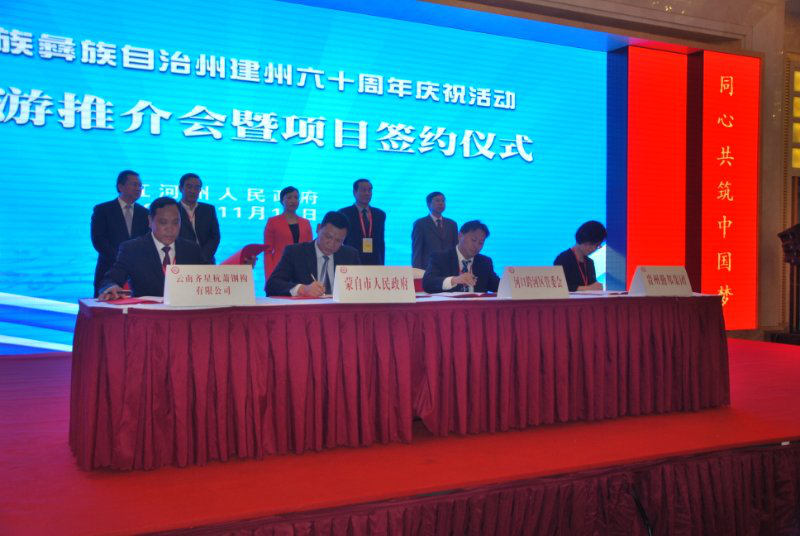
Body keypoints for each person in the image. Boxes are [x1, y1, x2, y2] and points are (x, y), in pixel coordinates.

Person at [97, 197, 208, 299]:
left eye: (175, 222)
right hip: (146, 312)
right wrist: (111, 287)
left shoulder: (191, 249)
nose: (170, 229)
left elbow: (208, 277)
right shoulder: (133, 249)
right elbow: (110, 279)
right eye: (163, 222)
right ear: (150, 221)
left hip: (184, 310)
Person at [266, 211, 360, 297]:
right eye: (328, 237)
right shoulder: (295, 252)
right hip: (306, 309)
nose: (331, 244)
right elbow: (272, 285)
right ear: (318, 228)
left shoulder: (350, 256)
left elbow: (360, 289)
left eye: (338, 241)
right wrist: (302, 289)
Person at [90, 170, 150, 296]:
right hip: (108, 270)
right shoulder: (103, 210)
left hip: (137, 274)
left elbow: (147, 240)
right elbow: (98, 239)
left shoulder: (145, 213)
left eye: (140, 186)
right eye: (134, 184)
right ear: (120, 186)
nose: (138, 188)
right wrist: (121, 259)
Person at [422, 220, 500, 293]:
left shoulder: (484, 262)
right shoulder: (440, 258)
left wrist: (507, 280)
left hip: (477, 303)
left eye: (481, 243)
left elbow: (496, 286)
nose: (476, 245)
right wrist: (454, 280)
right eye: (473, 240)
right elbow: (428, 283)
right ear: (460, 236)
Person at [263, 186, 313, 279]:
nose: (293, 201)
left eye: (296, 197)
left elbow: (309, 250)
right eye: (289, 197)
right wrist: (269, 276)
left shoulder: (306, 223)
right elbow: (268, 252)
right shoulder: (273, 222)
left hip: (301, 270)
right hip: (279, 269)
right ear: (281, 201)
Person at [338, 179, 386, 265]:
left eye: (369, 190)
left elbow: (381, 243)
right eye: (363, 190)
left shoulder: (380, 214)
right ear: (354, 192)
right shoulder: (344, 213)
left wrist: (382, 264)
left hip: (374, 263)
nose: (367, 193)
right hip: (351, 261)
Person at [177, 173, 221, 263]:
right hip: (180, 261)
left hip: (205, 261)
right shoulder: (173, 209)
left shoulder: (209, 210)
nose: (193, 191)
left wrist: (202, 257)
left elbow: (215, 236)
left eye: (197, 187)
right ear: (180, 188)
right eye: (189, 187)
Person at [554, 220, 607, 292]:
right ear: (582, 238)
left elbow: (593, 286)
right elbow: (559, 289)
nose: (593, 248)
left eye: (597, 245)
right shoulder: (562, 259)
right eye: (591, 244)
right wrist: (588, 288)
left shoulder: (589, 262)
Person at [411, 191, 458, 269]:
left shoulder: (452, 224)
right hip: (428, 268)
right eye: (437, 200)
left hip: (448, 268)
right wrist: (416, 271)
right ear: (429, 204)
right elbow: (417, 250)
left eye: (443, 201)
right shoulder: (420, 224)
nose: (441, 203)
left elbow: (456, 247)